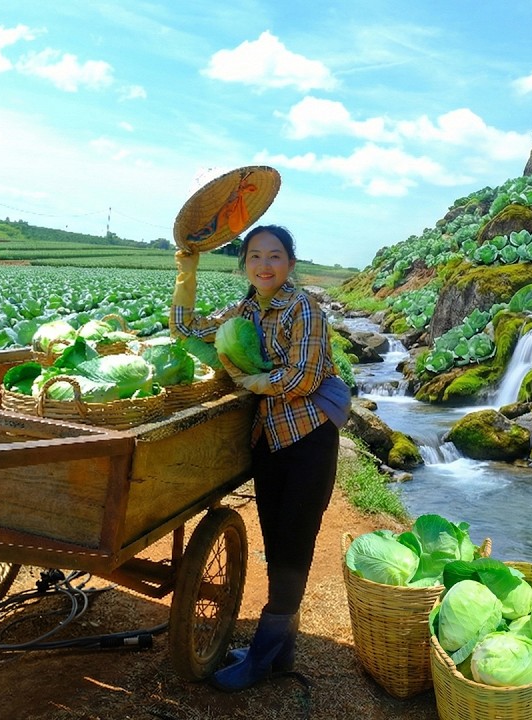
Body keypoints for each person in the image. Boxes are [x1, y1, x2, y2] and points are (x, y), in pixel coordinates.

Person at [170, 224, 346, 692]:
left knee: (294, 544)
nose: (264, 265)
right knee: (277, 541)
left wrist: (251, 383)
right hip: (269, 437)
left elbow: (304, 379)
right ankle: (279, 650)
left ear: (290, 263)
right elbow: (187, 329)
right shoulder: (247, 308)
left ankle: (262, 661)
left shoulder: (304, 307)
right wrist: (186, 272)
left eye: (274, 256)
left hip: (308, 438)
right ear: (244, 265)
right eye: (254, 257)